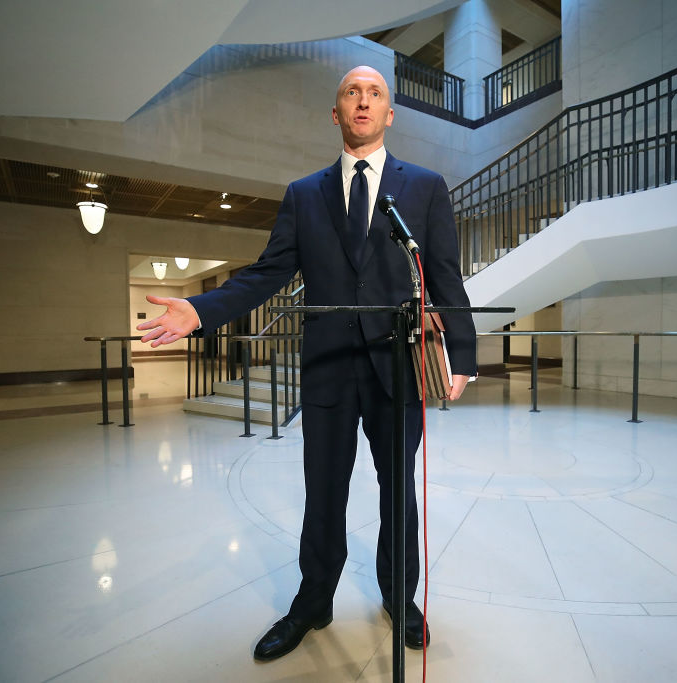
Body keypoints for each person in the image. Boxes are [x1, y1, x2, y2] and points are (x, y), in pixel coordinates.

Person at [137, 65, 476, 661]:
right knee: (323, 494)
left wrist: (463, 355)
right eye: (351, 92)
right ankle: (313, 601)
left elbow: (444, 274)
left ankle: (400, 596)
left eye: (375, 93)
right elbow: (268, 273)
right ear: (335, 112)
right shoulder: (304, 193)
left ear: (389, 114)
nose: (363, 101)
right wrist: (201, 309)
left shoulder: (425, 187)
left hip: (395, 366)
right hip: (327, 368)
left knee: (398, 493)